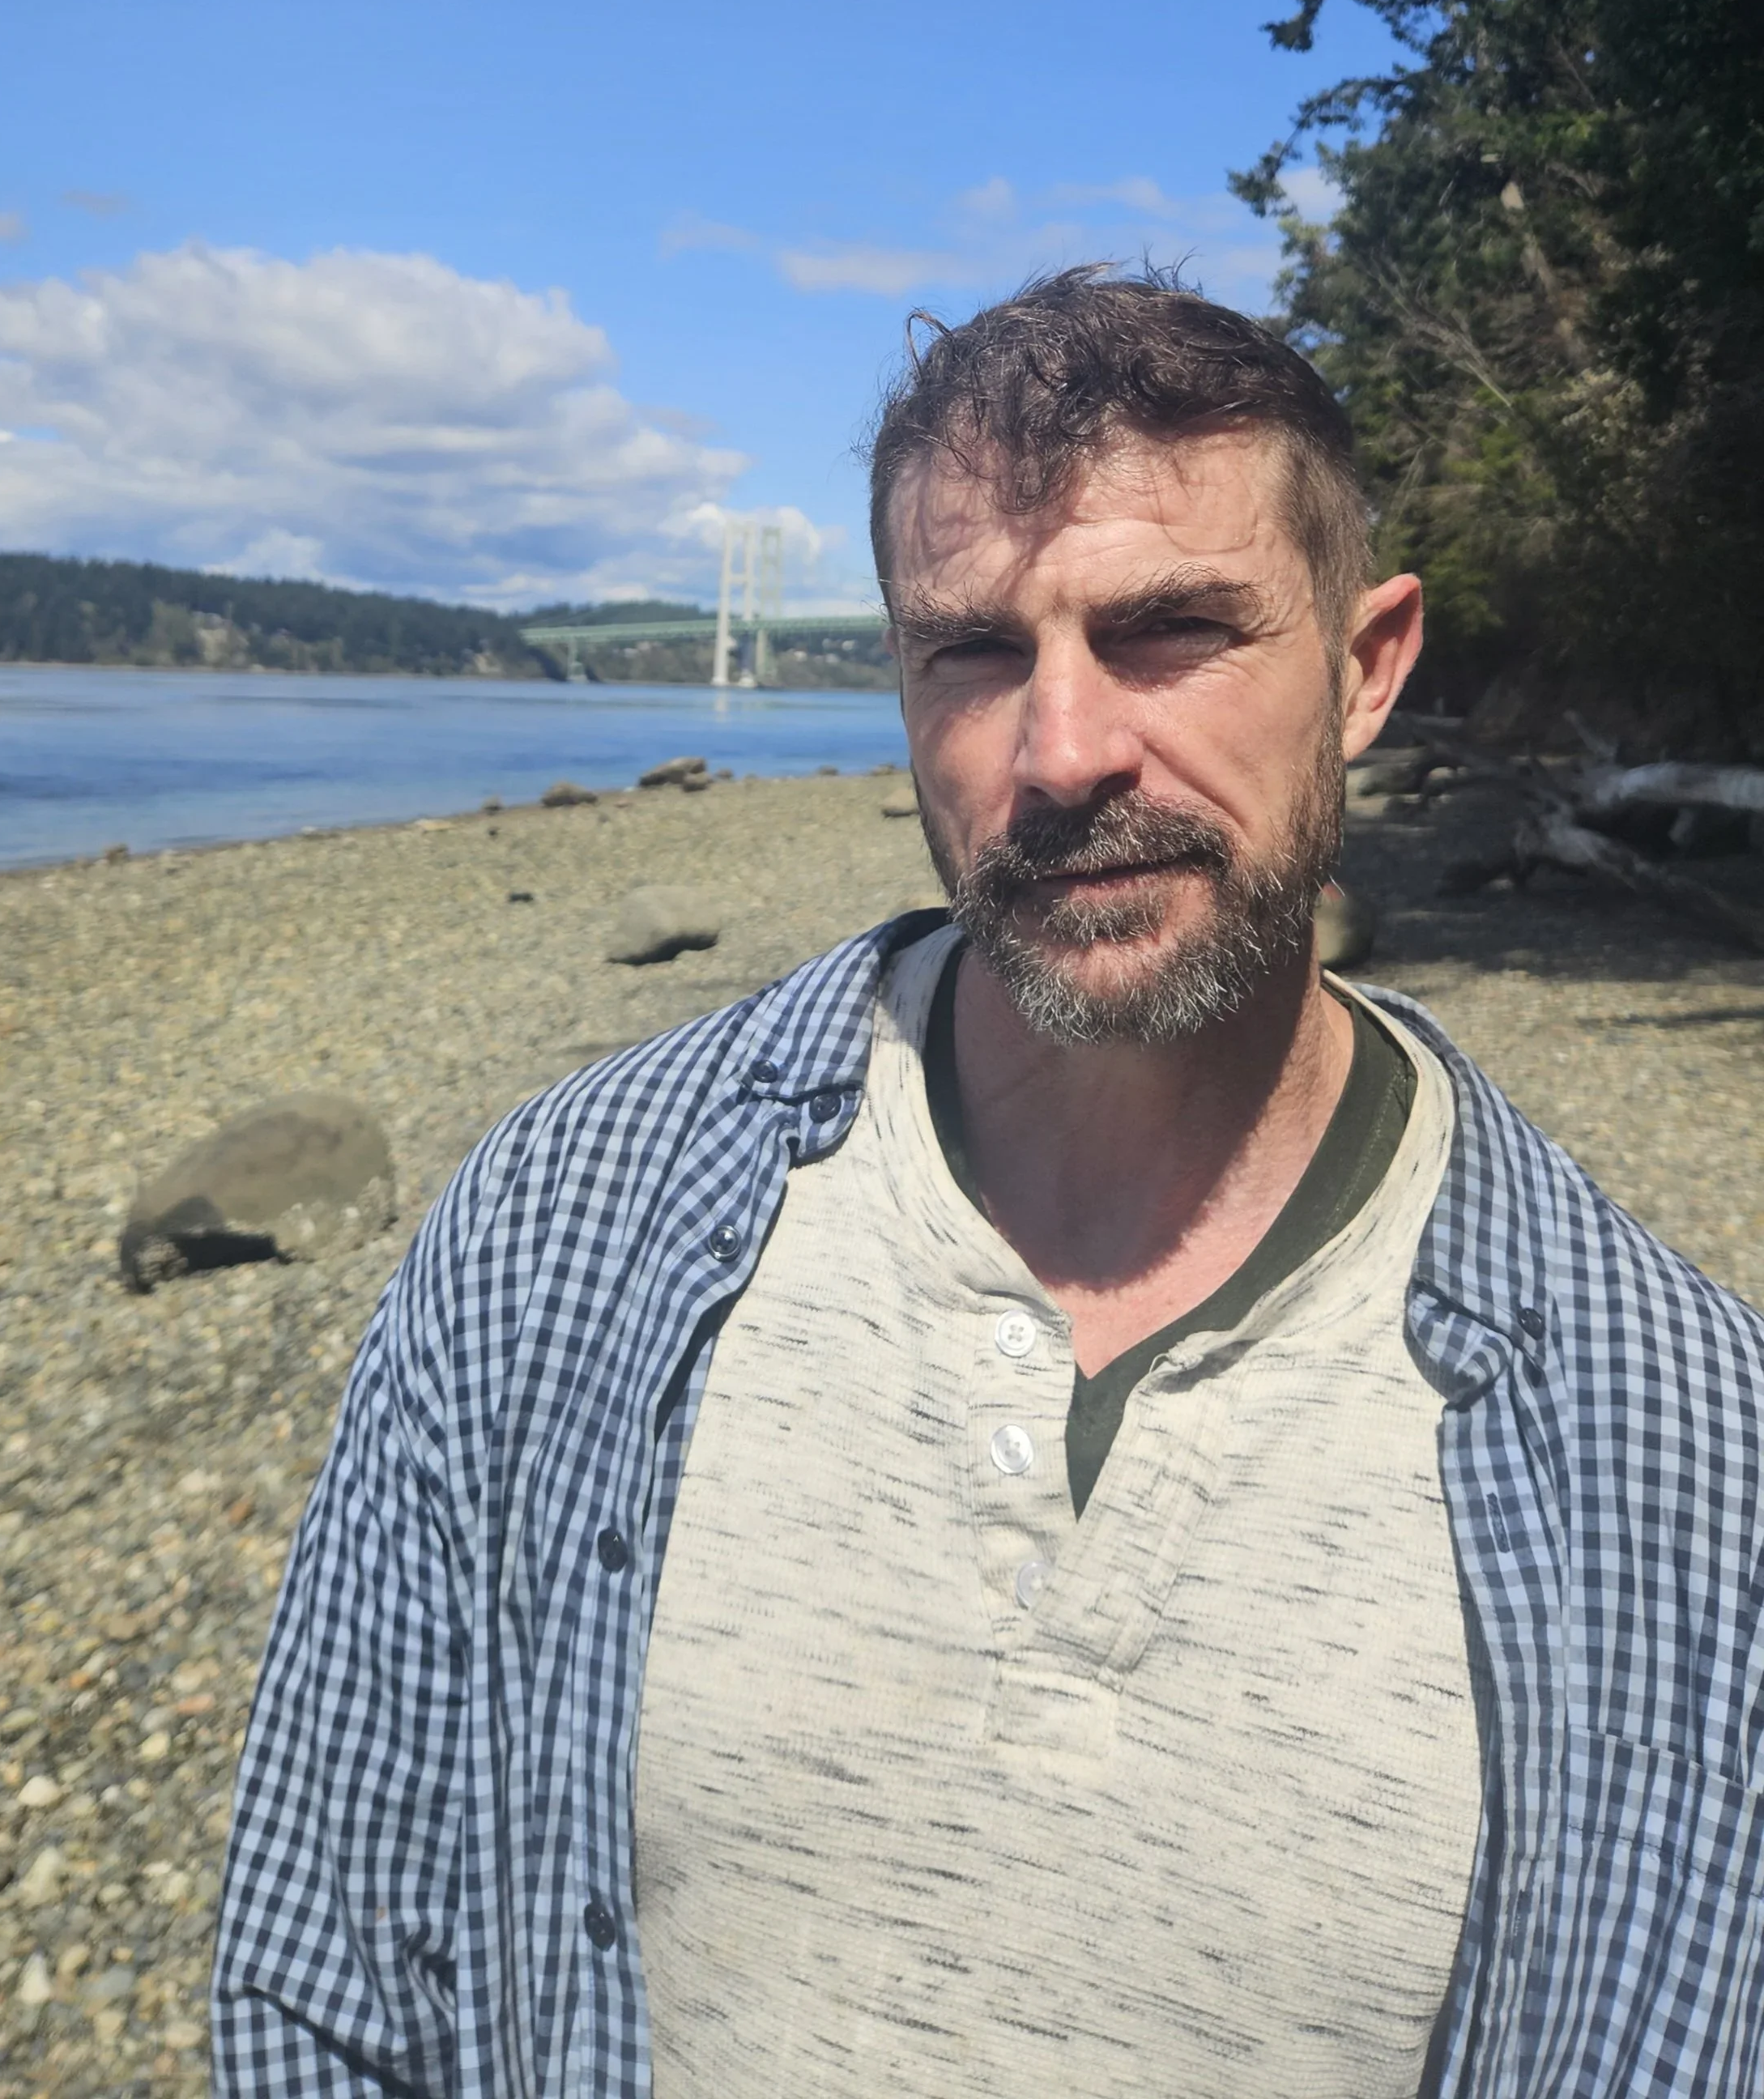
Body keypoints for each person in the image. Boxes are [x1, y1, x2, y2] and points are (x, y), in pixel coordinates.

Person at [212, 272, 1764, 2098]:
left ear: (1365, 668)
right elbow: (328, 1989)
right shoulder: (559, 1231)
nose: (1063, 751)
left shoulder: (1685, 1437)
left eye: (1171, 628)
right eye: (969, 653)